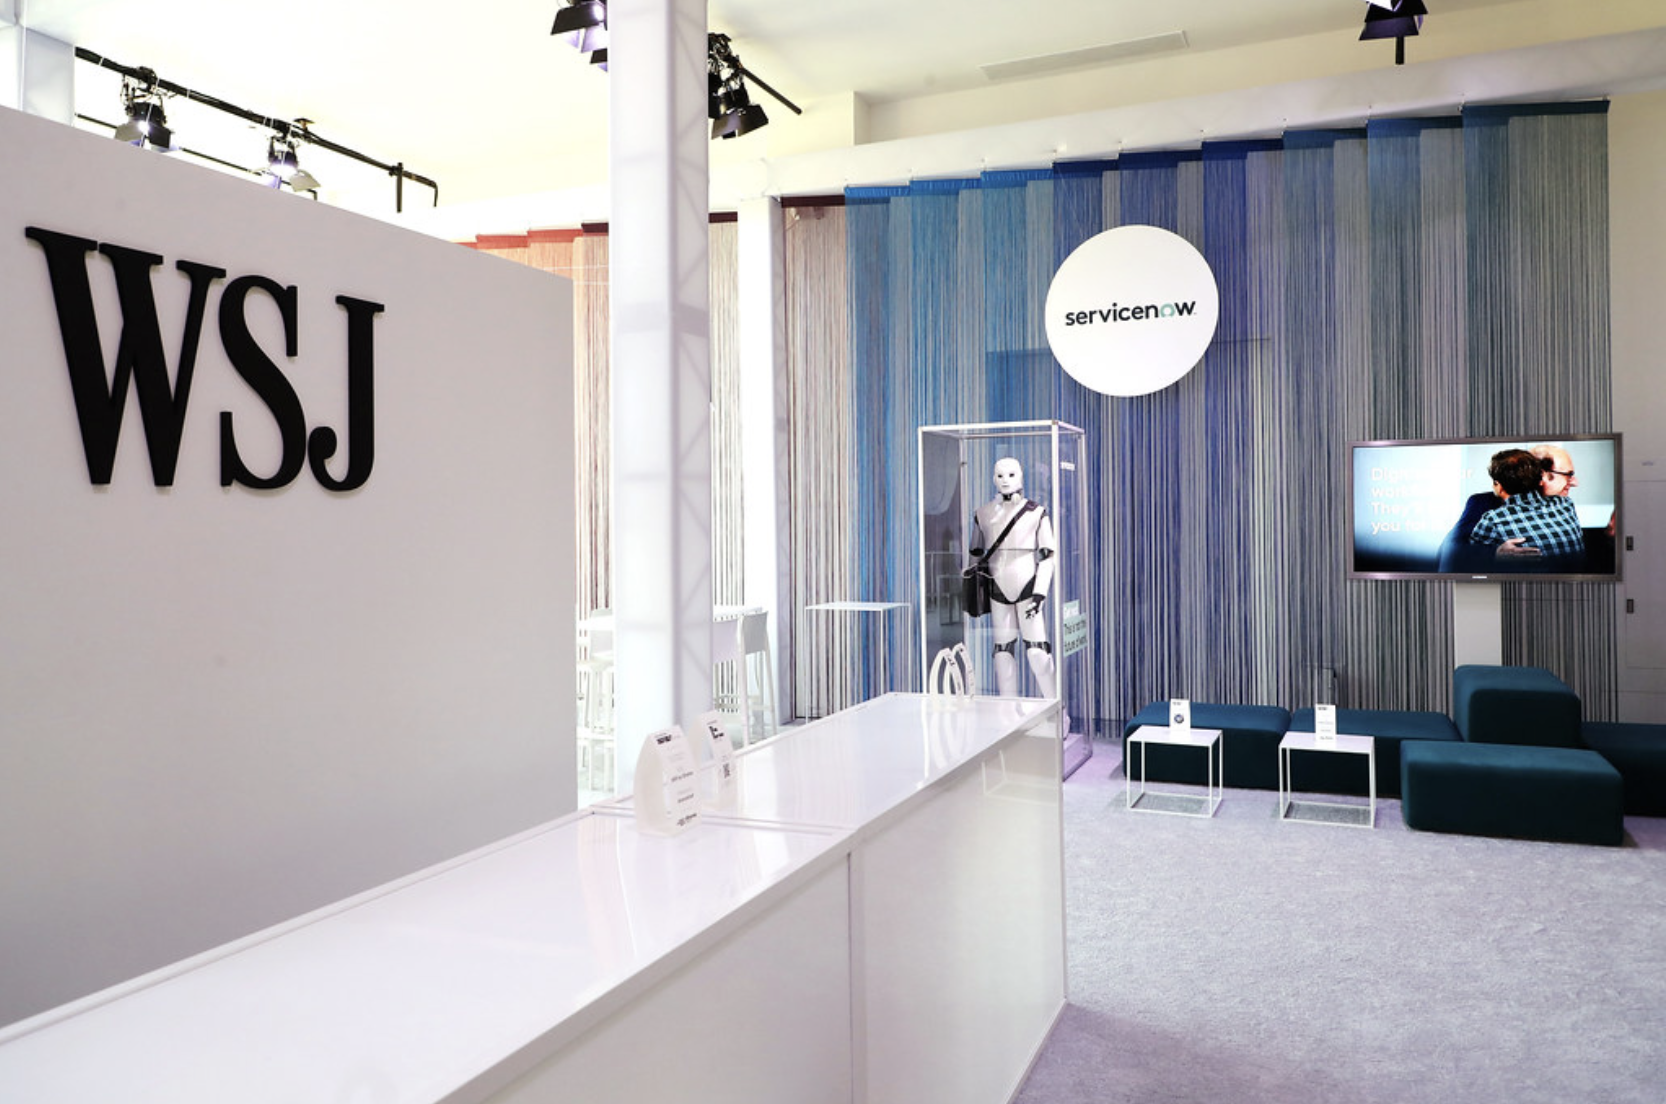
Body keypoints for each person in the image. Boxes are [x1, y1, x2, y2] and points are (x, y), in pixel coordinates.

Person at [968, 457, 1057, 698]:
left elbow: (1048, 556)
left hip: (1028, 584)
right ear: (993, 478)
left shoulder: (1036, 512)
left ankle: (1056, 710)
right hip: (997, 584)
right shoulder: (983, 513)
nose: (1005, 480)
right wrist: (972, 590)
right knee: (1002, 652)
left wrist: (1040, 593)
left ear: (1021, 477)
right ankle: (1009, 711)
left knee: (1037, 652)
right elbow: (975, 555)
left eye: (1011, 474)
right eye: (1000, 475)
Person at [1466, 447, 1585, 569]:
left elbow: (1470, 559)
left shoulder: (1493, 518)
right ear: (1541, 477)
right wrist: (1494, 553)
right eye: (1568, 475)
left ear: (1499, 486)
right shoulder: (1565, 504)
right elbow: (1459, 549)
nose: (1575, 483)